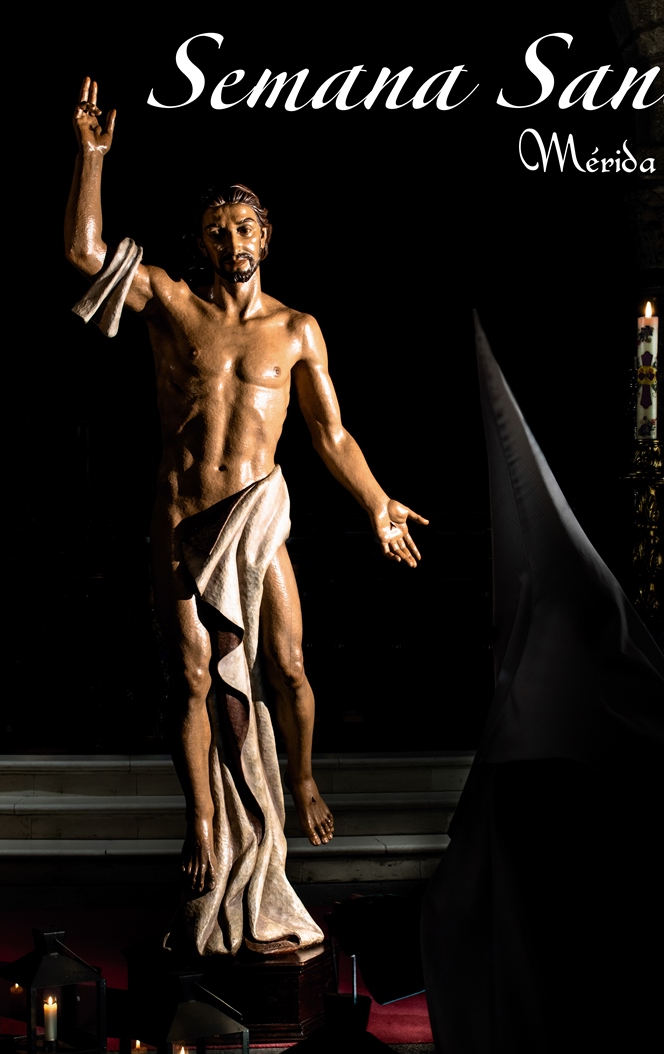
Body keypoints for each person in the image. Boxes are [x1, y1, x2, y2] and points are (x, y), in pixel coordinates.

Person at [65, 78, 427, 955]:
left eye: (246, 227)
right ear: (201, 241)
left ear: (267, 236)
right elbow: (84, 254)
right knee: (192, 680)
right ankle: (204, 822)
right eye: (219, 229)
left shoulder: (298, 329)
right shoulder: (171, 305)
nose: (234, 241)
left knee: (290, 668)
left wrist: (377, 501)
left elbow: (330, 433)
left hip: (258, 519)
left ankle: (298, 780)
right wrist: (93, 155)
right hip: (183, 520)